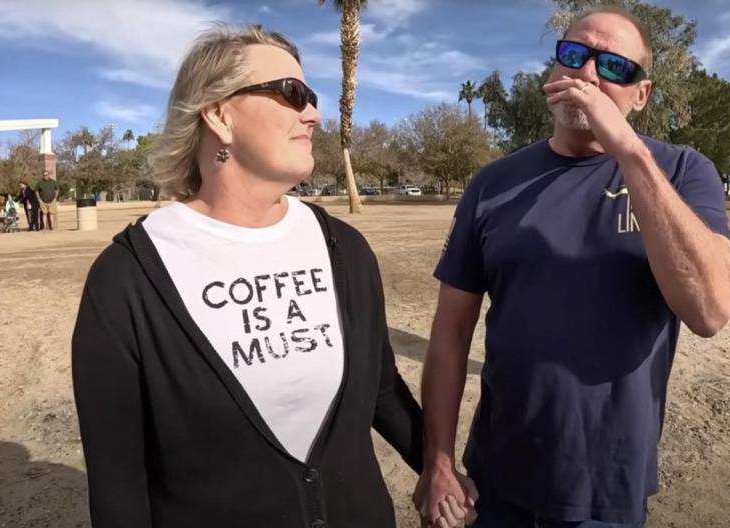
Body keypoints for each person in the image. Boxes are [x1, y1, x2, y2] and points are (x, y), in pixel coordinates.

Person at [72, 24, 472, 528]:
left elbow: (380, 393)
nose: (313, 113)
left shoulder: (345, 250)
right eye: (291, 93)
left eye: (310, 96)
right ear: (218, 114)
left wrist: (439, 469)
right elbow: (118, 487)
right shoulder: (128, 278)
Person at [415, 6, 730, 528]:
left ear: (642, 94)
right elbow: (451, 332)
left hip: (606, 489)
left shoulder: (682, 171)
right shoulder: (492, 184)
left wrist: (628, 152)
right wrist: (438, 462)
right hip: (494, 484)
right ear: (553, 70)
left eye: (614, 66)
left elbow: (710, 310)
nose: (588, 73)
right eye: (574, 55)